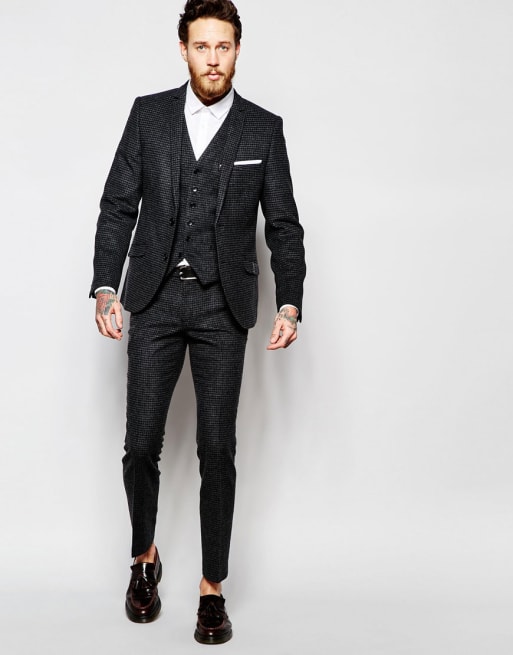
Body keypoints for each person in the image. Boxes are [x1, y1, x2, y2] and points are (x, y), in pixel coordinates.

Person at [90, 0, 305, 645]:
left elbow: (284, 226)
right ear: (183, 49)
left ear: (238, 50)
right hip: (154, 297)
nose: (213, 59)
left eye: (224, 47)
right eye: (202, 46)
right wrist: (106, 286)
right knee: (140, 444)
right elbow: (118, 203)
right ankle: (144, 559)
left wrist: (289, 301)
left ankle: (213, 588)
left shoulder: (263, 129)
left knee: (217, 448)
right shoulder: (148, 116)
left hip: (222, 305)